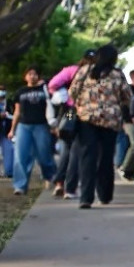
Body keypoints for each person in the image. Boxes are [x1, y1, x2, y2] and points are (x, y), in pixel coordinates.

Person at [70, 45, 133, 209]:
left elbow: (72, 92)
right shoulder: (117, 74)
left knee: (87, 158)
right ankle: (105, 195)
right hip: (110, 121)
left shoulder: (84, 71)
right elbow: (127, 96)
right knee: (105, 158)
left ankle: (85, 197)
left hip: (86, 119)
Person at [49, 49, 97, 198]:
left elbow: (53, 84)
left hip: (69, 111)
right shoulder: (97, 73)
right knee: (77, 149)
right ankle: (70, 187)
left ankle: (59, 182)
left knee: (67, 148)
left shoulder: (71, 71)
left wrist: (64, 95)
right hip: (85, 112)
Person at [7, 68, 58, 194]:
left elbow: (57, 106)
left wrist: (54, 126)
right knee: (21, 156)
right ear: (25, 77)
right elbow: (17, 112)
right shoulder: (20, 92)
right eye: (29, 74)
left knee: (44, 155)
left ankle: (52, 178)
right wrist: (12, 129)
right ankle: (20, 186)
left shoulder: (45, 90)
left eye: (35, 74)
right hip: (24, 126)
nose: (32, 76)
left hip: (41, 126)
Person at [118, 70, 134, 180]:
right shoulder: (128, 89)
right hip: (129, 122)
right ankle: (124, 167)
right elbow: (123, 105)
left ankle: (130, 171)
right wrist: (125, 120)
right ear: (132, 76)